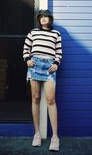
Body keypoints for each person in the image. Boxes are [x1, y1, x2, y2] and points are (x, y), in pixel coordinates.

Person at [23, 9, 62, 151]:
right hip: (34, 64)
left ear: (50, 19)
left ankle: (55, 137)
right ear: (39, 19)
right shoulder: (33, 32)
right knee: (36, 98)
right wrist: (27, 59)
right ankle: (37, 134)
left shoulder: (56, 34)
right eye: (41, 17)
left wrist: (56, 64)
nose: (44, 18)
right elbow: (26, 48)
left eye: (46, 16)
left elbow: (59, 52)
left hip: (49, 67)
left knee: (51, 99)